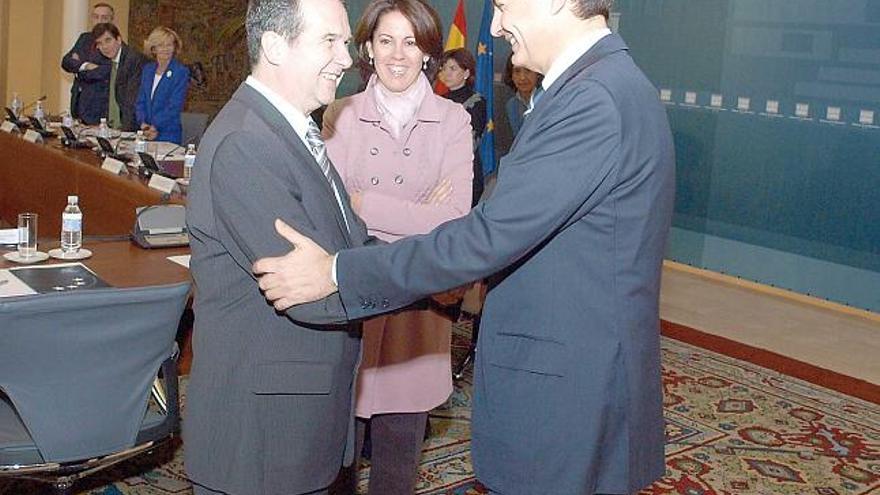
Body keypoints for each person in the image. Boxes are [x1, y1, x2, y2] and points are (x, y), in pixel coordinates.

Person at [253, 0, 676, 493]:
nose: (495, 26)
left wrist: (337, 272)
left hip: (570, 393)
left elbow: (483, 236)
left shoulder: (593, 99)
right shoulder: (605, 85)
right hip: (581, 381)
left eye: (500, 6)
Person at [183, 0, 370, 494]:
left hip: (295, 423)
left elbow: (349, 244)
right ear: (273, 46)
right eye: (329, 40)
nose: (347, 58)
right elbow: (315, 288)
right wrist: (432, 269)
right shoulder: (247, 142)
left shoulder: (287, 130)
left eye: (345, 43)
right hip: (262, 437)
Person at [321, 0, 472, 493]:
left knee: (398, 455)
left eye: (411, 42)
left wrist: (368, 202)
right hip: (353, 305)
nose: (398, 54)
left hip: (417, 307)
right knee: (336, 455)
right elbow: (334, 213)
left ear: (428, 51)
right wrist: (414, 214)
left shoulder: (453, 121)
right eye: (386, 41)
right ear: (367, 48)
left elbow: (453, 220)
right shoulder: (340, 114)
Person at [438, 48, 486, 205]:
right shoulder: (437, 101)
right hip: (438, 172)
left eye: (453, 68)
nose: (447, 73)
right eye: (444, 68)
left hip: (465, 173)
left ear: (466, 73)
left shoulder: (476, 102)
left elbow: (470, 142)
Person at [135, 27, 190, 144]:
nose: (166, 49)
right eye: (161, 45)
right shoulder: (148, 69)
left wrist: (155, 126)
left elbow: (174, 106)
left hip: (168, 134)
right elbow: (141, 100)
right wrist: (143, 124)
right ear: (153, 49)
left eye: (169, 45)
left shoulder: (180, 71)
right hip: (146, 133)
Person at [61, 3, 115, 121]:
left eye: (104, 18)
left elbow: (102, 72)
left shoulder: (114, 43)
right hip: (77, 103)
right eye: (96, 17)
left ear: (112, 20)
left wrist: (78, 69)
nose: (99, 21)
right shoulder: (84, 38)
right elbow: (65, 62)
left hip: (98, 108)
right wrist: (86, 65)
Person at [90, 23, 146, 130]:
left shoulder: (133, 60)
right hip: (113, 127)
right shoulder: (111, 60)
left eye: (108, 40)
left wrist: (124, 133)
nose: (104, 47)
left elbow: (131, 102)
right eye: (100, 43)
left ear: (119, 39)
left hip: (131, 128)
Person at [502, 53, 542, 137]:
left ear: (538, 74)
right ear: (511, 75)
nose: (522, 77)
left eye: (528, 71)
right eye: (517, 71)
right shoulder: (511, 105)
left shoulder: (546, 100)